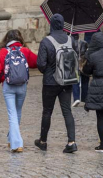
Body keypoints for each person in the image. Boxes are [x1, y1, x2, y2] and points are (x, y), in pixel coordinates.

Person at [35, 13, 78, 153]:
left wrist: (49, 69)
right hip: (67, 81)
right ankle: (72, 142)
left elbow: (41, 65)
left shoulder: (46, 42)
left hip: (50, 82)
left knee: (47, 111)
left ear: (51, 25)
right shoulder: (71, 40)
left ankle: (43, 141)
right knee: (67, 111)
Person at [0, 30, 38, 153]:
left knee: (12, 114)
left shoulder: (2, 52)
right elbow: (36, 62)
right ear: (20, 39)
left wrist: (3, 79)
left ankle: (16, 144)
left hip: (8, 86)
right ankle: (12, 139)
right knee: (17, 112)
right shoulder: (25, 51)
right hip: (22, 86)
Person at [72, 30, 100, 107]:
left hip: (77, 61)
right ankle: (84, 98)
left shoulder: (73, 39)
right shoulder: (89, 32)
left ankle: (76, 98)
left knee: (76, 79)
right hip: (84, 61)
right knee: (84, 79)